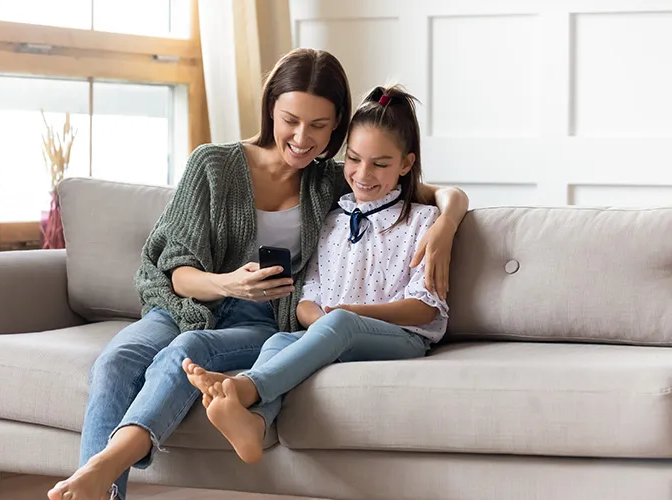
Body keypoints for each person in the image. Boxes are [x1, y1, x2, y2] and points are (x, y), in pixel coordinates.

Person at [48, 48, 468, 500]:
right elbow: (177, 274)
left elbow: (432, 190)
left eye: (320, 126)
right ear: (271, 108)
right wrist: (228, 283)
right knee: (115, 362)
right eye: (291, 119)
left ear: (338, 127)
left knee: (185, 355)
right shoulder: (213, 164)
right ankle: (98, 484)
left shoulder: (335, 179)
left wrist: (445, 223)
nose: (303, 138)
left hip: (261, 322)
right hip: (189, 305)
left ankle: (104, 474)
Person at [185, 85, 448, 464]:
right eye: (354, 159)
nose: (362, 174)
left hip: (401, 340)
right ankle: (254, 426)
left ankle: (244, 388)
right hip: (334, 332)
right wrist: (317, 318)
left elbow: (425, 310)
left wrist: (347, 316)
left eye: (380, 163)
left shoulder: (423, 222)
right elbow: (310, 292)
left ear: (406, 164)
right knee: (277, 342)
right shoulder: (332, 220)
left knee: (340, 321)